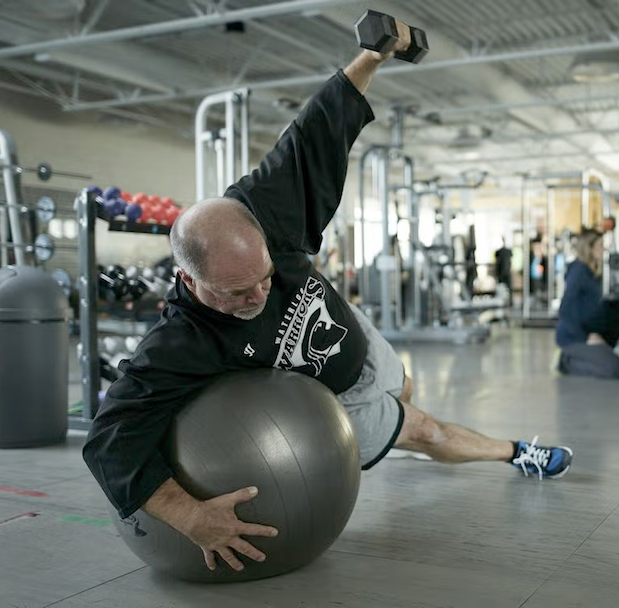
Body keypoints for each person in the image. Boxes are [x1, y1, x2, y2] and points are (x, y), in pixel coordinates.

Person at [82, 24, 572, 576]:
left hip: (353, 336)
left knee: (404, 387)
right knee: (425, 428)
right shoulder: (180, 343)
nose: (259, 294)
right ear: (191, 282)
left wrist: (372, 55)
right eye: (239, 292)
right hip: (331, 409)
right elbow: (109, 439)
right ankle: (516, 453)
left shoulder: (264, 207)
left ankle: (399, 428)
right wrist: (190, 516)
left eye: (265, 277)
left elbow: (315, 131)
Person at [555, 229, 619, 378]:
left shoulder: (593, 274)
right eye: (600, 246)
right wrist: (586, 338)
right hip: (576, 338)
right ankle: (567, 361)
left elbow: (597, 306)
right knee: (617, 369)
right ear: (589, 249)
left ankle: (594, 353)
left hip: (592, 332)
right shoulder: (578, 272)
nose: (603, 249)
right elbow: (565, 311)